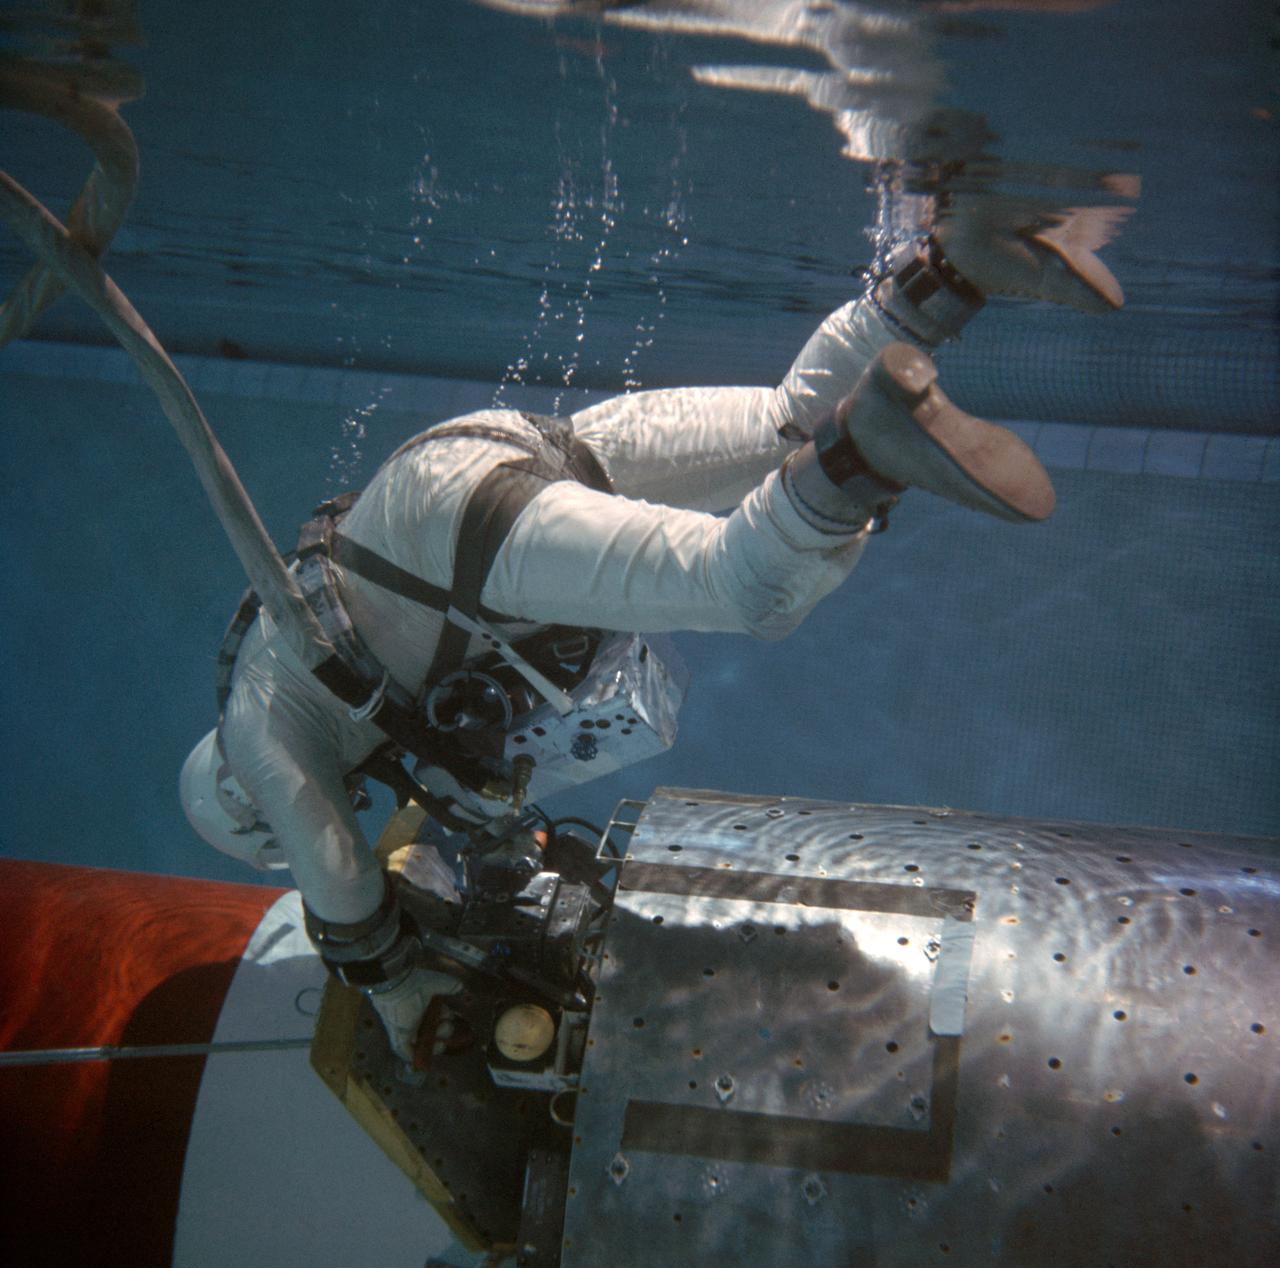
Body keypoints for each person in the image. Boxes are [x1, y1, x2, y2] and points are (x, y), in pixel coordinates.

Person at [181, 208, 1124, 1062]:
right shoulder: (273, 642)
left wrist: (390, 986)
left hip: (460, 540)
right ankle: (955, 268)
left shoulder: (263, 739)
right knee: (783, 421)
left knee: (743, 584)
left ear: (244, 807)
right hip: (490, 450)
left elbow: (338, 881)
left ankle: (868, 449)